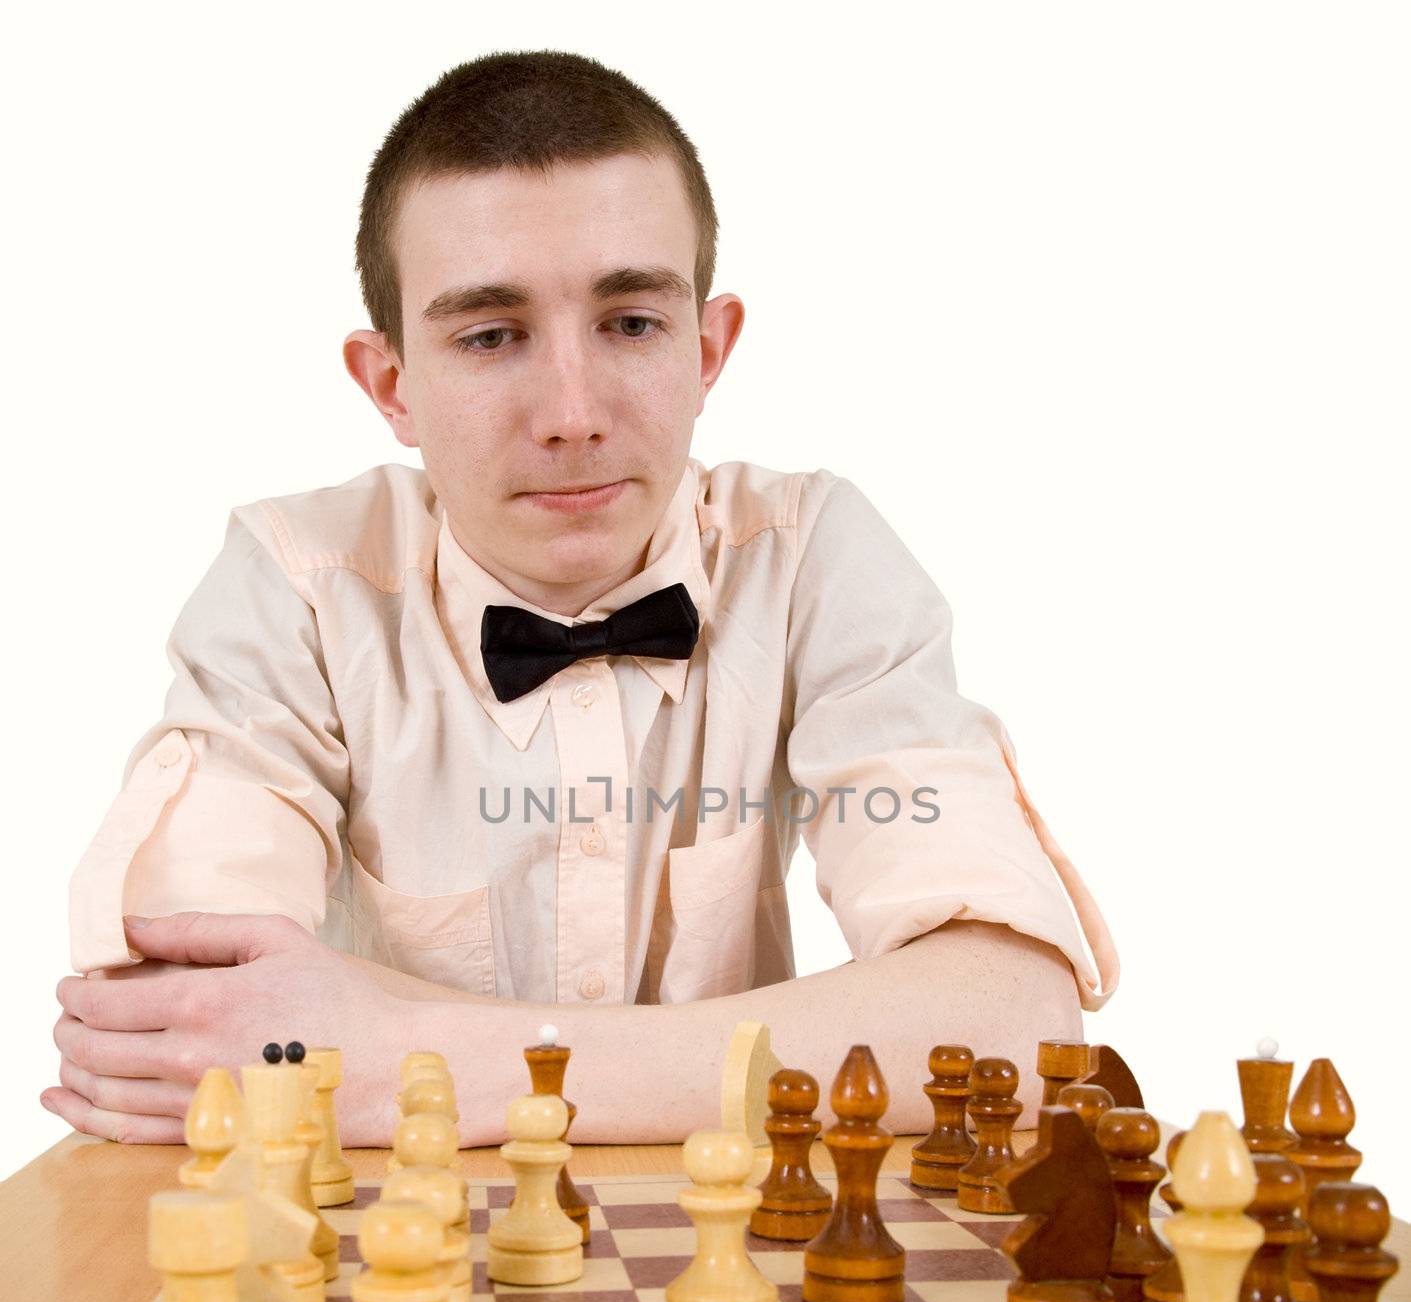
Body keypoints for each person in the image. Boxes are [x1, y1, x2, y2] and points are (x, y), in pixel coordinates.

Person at [47, 49, 1118, 1150]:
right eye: (491, 335)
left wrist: (407, 1056)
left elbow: (1016, 1026)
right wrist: (711, 1059)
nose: (571, 413)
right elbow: (179, 1037)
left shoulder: (812, 558)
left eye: (630, 323)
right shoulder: (299, 583)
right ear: (391, 383)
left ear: (709, 349)